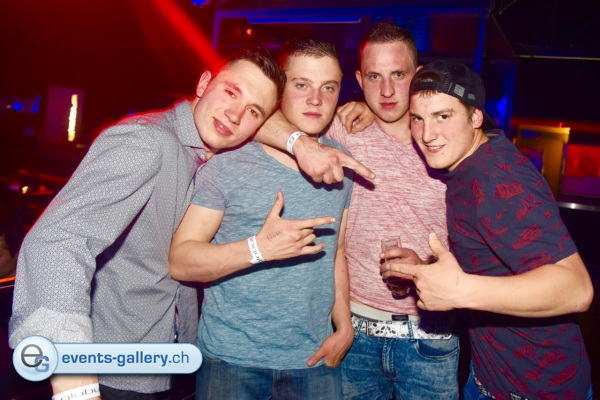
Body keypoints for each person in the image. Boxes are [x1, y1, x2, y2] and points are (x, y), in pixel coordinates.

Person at [9, 47, 372, 399]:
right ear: (202, 84)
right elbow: (58, 241)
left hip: (162, 364)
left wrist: (307, 138)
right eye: (230, 92)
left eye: (253, 111)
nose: (235, 115)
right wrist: (74, 379)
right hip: (108, 367)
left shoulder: (206, 152)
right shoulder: (147, 140)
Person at [261, 21, 459, 399]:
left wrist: (428, 267)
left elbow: (478, 245)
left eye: (398, 75)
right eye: (374, 77)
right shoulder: (341, 129)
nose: (386, 91)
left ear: (417, 76)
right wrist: (299, 142)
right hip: (356, 337)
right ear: (358, 79)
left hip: (431, 338)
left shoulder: (445, 144)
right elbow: (254, 118)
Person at [383, 59, 594, 399]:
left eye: (443, 116)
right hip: (490, 377)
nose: (427, 134)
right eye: (418, 118)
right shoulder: (469, 163)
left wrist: (458, 290)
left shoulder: (498, 178)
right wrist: (425, 270)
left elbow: (577, 289)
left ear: (475, 118)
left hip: (536, 390)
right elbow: (494, 265)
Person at [169, 37, 354, 399]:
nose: (316, 100)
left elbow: (337, 252)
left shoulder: (341, 163)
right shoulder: (230, 159)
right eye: (302, 85)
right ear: (280, 90)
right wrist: (258, 248)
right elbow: (181, 261)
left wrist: (344, 325)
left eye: (328, 87)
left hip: (314, 360)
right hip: (230, 362)